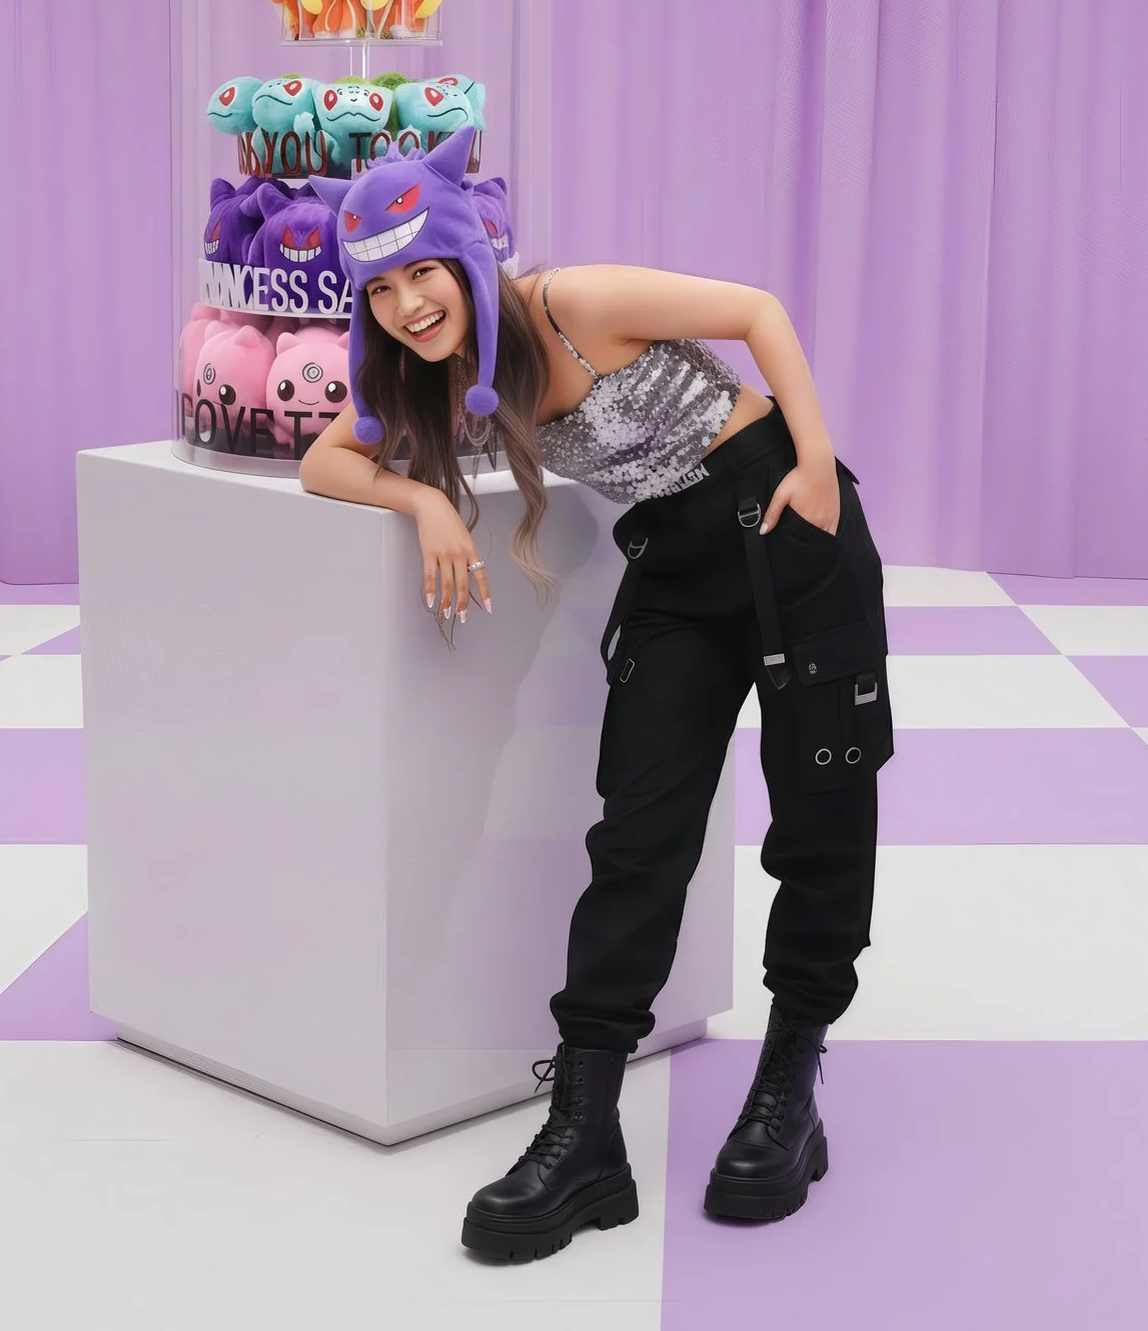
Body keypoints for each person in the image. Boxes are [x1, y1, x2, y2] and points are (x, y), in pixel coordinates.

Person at [301, 127, 894, 1261]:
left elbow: (757, 310)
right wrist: (425, 505)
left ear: (466, 256)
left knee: (820, 818)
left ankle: (787, 1086)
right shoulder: (445, 373)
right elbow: (327, 459)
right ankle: (584, 1131)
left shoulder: (572, 300)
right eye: (378, 287)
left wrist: (814, 461)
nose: (408, 304)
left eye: (422, 270)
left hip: (787, 524)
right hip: (673, 566)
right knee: (636, 833)